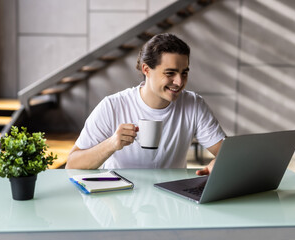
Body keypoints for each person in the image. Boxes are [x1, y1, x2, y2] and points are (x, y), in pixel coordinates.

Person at [66, 33, 225, 176]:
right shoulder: (112, 106)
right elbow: (72, 164)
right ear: (146, 70)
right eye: (170, 73)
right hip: (119, 199)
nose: (179, 82)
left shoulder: (194, 104)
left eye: (184, 72)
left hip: (172, 200)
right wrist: (111, 144)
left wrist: (218, 163)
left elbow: (227, 153)